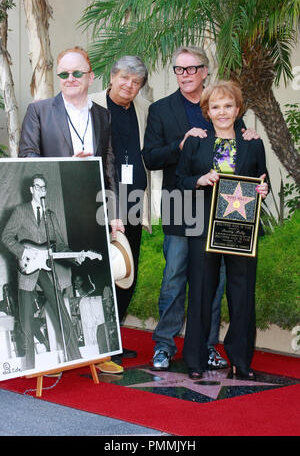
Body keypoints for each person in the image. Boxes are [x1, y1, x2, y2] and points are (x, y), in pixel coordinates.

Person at [143, 45, 260, 371]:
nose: (185, 75)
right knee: (175, 277)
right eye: (179, 69)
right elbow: (150, 157)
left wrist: (247, 133)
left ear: (204, 71)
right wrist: (180, 144)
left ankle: (208, 346)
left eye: (192, 69)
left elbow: (240, 151)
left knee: (215, 280)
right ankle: (164, 345)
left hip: (220, 210)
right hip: (182, 204)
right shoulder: (161, 109)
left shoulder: (222, 104)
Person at [18, 46, 124, 374]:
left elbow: (109, 167)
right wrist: (64, 164)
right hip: (56, 210)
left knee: (96, 273)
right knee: (57, 281)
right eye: (64, 73)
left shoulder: (103, 115)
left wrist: (114, 212)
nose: (70, 79)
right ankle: (56, 356)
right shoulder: (39, 111)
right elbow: (27, 155)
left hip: (93, 210)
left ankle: (100, 352)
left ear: (91, 76)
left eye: (77, 73)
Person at [176, 80, 268, 379]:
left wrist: (264, 189)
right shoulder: (196, 142)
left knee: (242, 295)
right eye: (215, 106)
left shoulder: (253, 142)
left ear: (237, 109)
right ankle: (195, 361)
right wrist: (199, 180)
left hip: (241, 226)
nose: (222, 111)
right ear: (207, 111)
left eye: (228, 106)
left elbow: (262, 180)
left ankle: (241, 361)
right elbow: (180, 180)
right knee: (201, 293)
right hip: (203, 227)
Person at [89, 56, 162, 370]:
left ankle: (113, 341)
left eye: (136, 82)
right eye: (125, 79)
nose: (130, 86)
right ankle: (95, 343)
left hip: (134, 203)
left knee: (126, 275)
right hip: (97, 201)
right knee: (99, 274)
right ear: (112, 76)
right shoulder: (90, 104)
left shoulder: (145, 108)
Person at [1, 174, 85, 370]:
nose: (41, 190)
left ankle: (76, 359)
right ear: (31, 190)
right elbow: (6, 236)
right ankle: (29, 368)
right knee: (27, 324)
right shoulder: (20, 211)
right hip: (27, 270)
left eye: (44, 188)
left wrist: (75, 256)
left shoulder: (50, 216)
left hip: (45, 270)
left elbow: (61, 246)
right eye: (37, 187)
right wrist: (24, 252)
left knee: (61, 312)